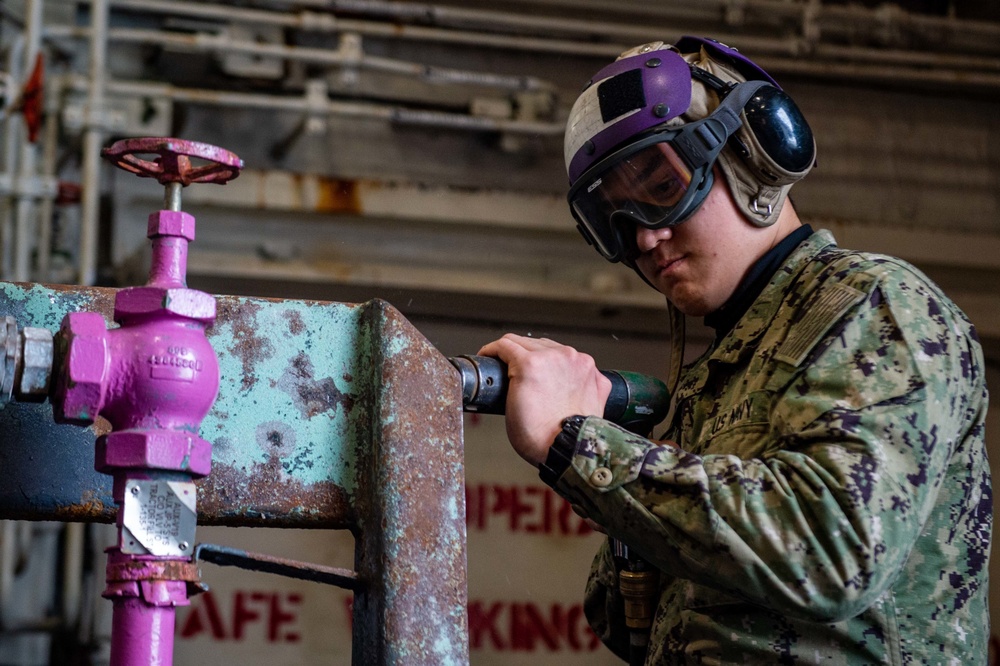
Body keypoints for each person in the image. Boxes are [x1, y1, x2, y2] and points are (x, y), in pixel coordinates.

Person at [478, 36, 991, 664]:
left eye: (661, 184)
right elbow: (623, 621)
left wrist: (579, 442)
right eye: (612, 217)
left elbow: (832, 551)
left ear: (756, 152)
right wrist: (622, 450)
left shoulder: (878, 306)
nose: (644, 235)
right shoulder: (718, 377)